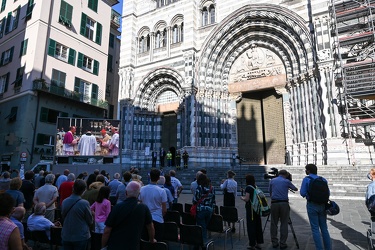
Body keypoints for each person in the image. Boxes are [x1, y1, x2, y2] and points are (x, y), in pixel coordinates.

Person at [102, 181, 156, 249]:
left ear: (126, 193)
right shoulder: (144, 208)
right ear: (139, 194)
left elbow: (107, 230)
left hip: (115, 245)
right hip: (133, 246)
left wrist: (103, 246)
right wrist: (152, 239)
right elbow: (150, 227)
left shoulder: (117, 207)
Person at [300, 164, 331, 250]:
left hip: (312, 205)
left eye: (306, 169)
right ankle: (328, 248)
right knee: (324, 229)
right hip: (323, 205)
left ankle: (319, 248)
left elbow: (302, 193)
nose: (305, 171)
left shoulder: (306, 179)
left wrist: (308, 195)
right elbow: (328, 193)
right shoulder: (323, 179)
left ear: (309, 171)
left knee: (315, 229)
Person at [269, 169, 298, 249]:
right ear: (286, 174)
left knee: (273, 223)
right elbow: (295, 189)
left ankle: (274, 242)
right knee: (284, 223)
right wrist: (289, 181)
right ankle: (282, 243)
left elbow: (270, 192)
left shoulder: (272, 180)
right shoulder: (286, 181)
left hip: (274, 203)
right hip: (284, 203)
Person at [61, 179, 93, 249]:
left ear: (73, 187)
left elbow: (63, 215)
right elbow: (90, 221)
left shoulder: (65, 201)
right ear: (84, 190)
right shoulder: (85, 203)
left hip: (67, 235)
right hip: (81, 235)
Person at [139, 168, 167, 242]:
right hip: (157, 218)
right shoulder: (162, 191)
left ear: (149, 177)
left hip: (145, 218)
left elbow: (140, 203)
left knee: (144, 241)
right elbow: (164, 209)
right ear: (158, 178)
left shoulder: (142, 189)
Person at [241, 174, 264, 250]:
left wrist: (242, 198)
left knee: (251, 226)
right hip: (257, 209)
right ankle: (259, 243)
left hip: (251, 210)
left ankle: (252, 245)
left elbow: (247, 199)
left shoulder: (248, 187)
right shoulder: (255, 187)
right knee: (258, 225)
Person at [193, 173, 215, 241]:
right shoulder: (212, 188)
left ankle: (203, 243)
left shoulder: (199, 187)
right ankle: (202, 241)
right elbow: (214, 200)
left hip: (201, 209)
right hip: (209, 210)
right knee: (204, 226)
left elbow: (196, 199)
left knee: (202, 227)